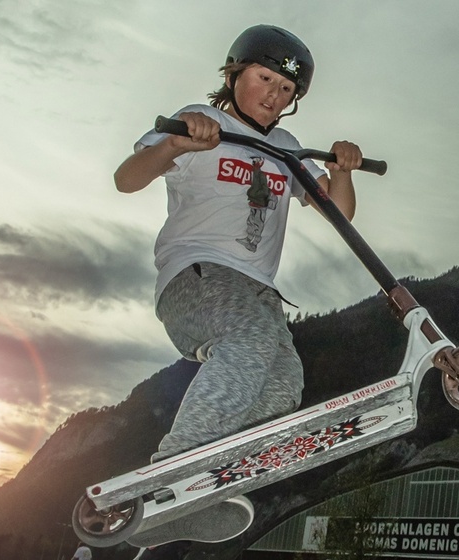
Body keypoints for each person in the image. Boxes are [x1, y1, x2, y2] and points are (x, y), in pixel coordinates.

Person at [115, 24, 363, 560]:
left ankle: (201, 493)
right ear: (234, 74)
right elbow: (127, 179)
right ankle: (171, 474)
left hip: (257, 294)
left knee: (281, 385)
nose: (273, 96)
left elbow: (339, 215)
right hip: (197, 277)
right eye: (264, 79)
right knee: (248, 343)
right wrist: (178, 142)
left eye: (285, 91)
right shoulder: (203, 123)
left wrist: (341, 170)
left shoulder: (288, 149)